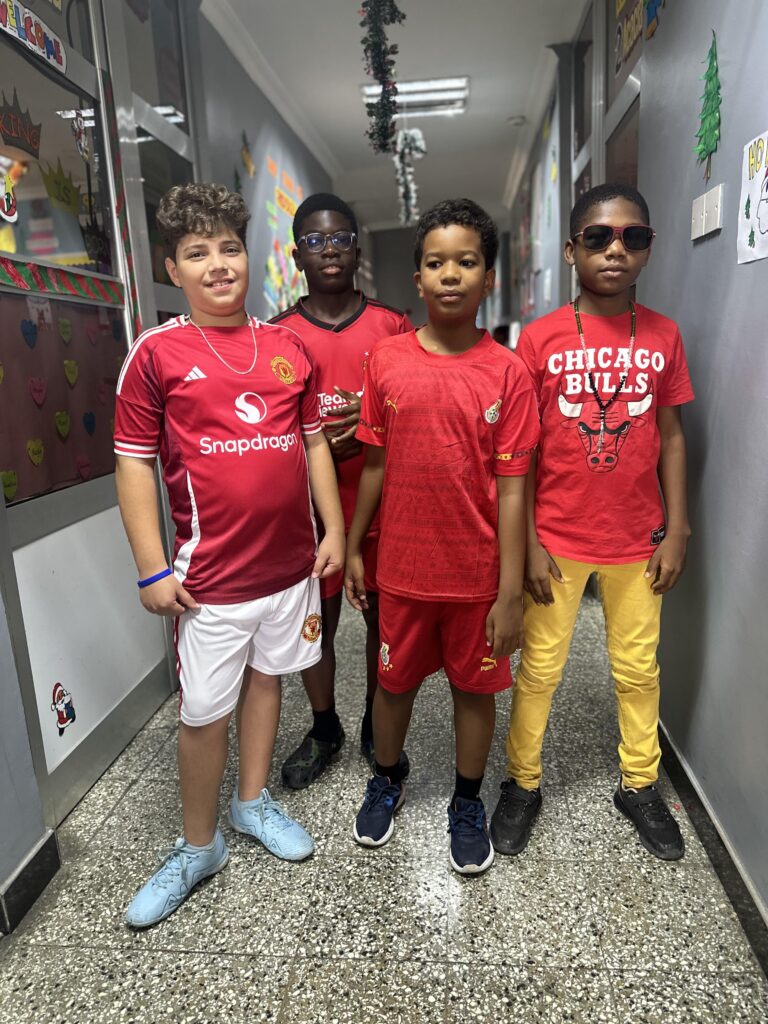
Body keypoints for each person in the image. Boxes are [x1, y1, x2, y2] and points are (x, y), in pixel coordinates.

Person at [114, 183, 345, 927]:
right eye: (197, 253)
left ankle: (251, 803)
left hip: (290, 571)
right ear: (172, 270)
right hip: (210, 582)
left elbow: (314, 443)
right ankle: (198, 845)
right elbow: (132, 463)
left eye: (229, 247)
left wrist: (335, 530)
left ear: (249, 255)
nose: (218, 264)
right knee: (202, 714)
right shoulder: (157, 354)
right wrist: (152, 567)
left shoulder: (287, 347)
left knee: (269, 681)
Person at [490, 183, 694, 861]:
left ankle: (640, 783)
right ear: (572, 248)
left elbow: (670, 436)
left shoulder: (663, 335)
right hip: (557, 538)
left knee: (637, 669)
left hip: (639, 539)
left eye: (633, 238)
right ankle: (522, 782)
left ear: (649, 248)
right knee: (540, 670)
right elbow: (519, 449)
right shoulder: (540, 339)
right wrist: (529, 541)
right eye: (599, 237)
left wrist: (679, 529)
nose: (615, 250)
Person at [345, 198, 540, 874]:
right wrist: (355, 545)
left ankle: (466, 800)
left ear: (489, 277)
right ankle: (387, 778)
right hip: (402, 570)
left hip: (476, 577)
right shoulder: (386, 360)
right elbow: (374, 464)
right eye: (436, 263)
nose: (450, 274)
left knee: (474, 691)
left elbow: (513, 488)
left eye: (466, 262)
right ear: (418, 279)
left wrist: (509, 593)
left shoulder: (509, 373)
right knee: (392, 684)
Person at [270, 193, 413, 788]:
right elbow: (266, 429)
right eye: (314, 240)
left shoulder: (393, 326)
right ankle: (324, 726)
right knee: (316, 627)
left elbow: (419, 409)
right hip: (310, 517)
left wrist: (376, 424)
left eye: (339, 239)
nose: (328, 250)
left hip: (383, 509)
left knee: (383, 626)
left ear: (357, 249)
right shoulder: (276, 335)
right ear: (297, 255)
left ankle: (378, 723)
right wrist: (315, 443)